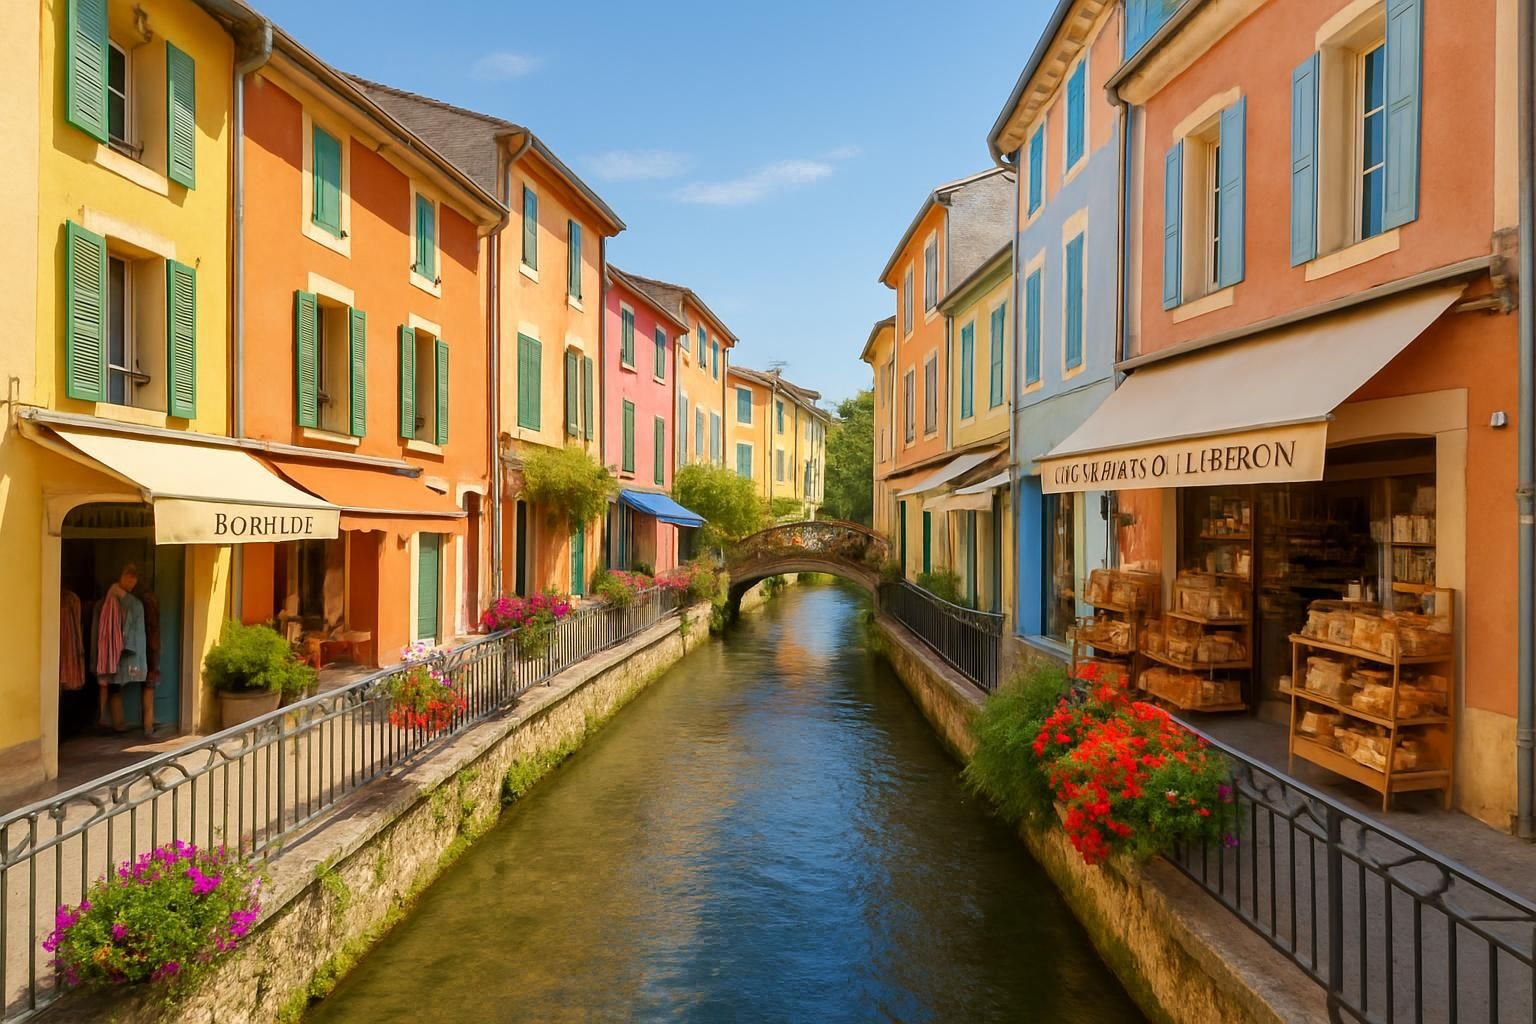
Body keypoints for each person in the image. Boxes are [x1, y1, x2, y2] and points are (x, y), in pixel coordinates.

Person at [95, 563, 147, 733]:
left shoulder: (126, 601)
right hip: (118, 650)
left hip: (115, 651)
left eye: (135, 578)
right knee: (113, 684)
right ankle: (115, 722)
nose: (133, 582)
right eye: (129, 577)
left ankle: (111, 721)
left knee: (112, 684)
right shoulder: (123, 602)